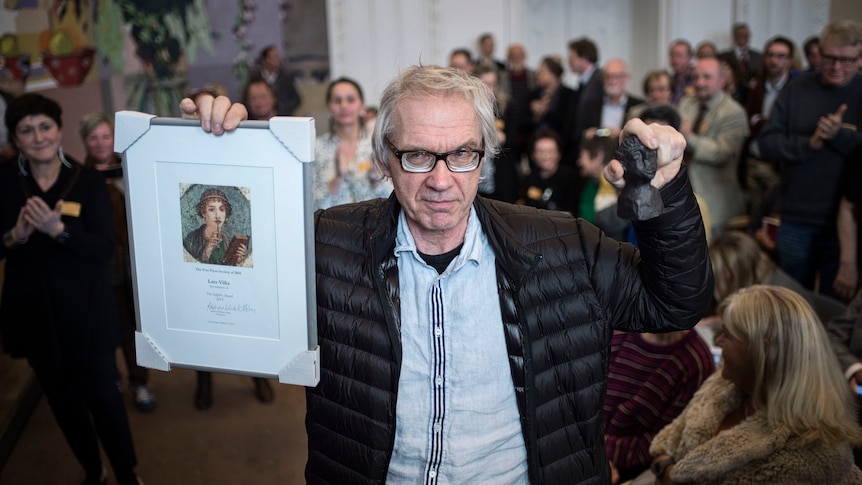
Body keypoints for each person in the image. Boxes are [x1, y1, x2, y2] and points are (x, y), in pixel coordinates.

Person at [182, 64, 712, 484]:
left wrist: (665, 195)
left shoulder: (564, 245)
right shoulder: (326, 244)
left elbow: (676, 303)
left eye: (461, 153)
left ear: (485, 158)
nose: (440, 179)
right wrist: (200, 160)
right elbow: (213, 292)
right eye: (417, 155)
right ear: (385, 159)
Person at [0, 93, 141, 484]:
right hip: (35, 316)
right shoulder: (7, 184)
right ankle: (93, 470)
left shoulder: (87, 182)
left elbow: (102, 249)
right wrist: (16, 235)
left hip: (88, 314)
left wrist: (57, 232)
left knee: (106, 400)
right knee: (64, 403)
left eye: (45, 126)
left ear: (59, 130)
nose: (38, 136)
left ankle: (127, 473)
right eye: (26, 130)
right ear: (15, 138)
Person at [649, 285, 862, 484]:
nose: (719, 341)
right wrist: (668, 470)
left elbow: (668, 456)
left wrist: (668, 471)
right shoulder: (725, 382)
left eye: (728, 335)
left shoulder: (815, 451)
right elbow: (664, 443)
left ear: (763, 351)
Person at [754, 19, 862, 300]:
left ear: (860, 58)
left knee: (835, 305)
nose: (836, 66)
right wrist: (809, 144)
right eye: (829, 58)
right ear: (819, 52)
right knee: (789, 301)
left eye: (846, 60)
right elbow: (766, 143)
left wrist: (840, 136)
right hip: (796, 215)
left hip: (847, 224)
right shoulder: (797, 89)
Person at [79, 112, 157, 413]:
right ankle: (111, 381)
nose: (100, 143)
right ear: (85, 141)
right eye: (93, 137)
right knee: (109, 327)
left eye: (105, 136)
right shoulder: (79, 177)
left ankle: (140, 382)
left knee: (137, 327)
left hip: (134, 264)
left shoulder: (129, 167)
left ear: (114, 138)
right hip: (102, 268)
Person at [604, 325, 714, 483]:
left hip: (633, 469)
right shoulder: (616, 328)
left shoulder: (696, 362)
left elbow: (667, 437)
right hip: (580, 449)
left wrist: (602, 454)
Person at [678, 57, 749, 237]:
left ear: (722, 80)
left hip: (716, 206)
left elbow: (723, 152)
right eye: (696, 77)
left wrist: (689, 138)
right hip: (684, 200)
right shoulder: (687, 103)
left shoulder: (734, 112)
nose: (700, 82)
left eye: (707, 77)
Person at [311, 77, 392, 210]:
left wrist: (377, 180)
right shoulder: (317, 148)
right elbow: (312, 208)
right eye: (337, 100)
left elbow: (394, 200)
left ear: (362, 106)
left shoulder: (378, 144)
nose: (344, 105)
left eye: (350, 99)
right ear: (329, 108)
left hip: (374, 226)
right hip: (332, 227)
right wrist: (338, 178)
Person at [518, 129, 579, 213]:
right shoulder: (529, 179)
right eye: (541, 152)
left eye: (550, 151)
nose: (546, 156)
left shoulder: (571, 178)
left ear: (559, 154)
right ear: (533, 155)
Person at [250, 45, 301, 116]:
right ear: (265, 60)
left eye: (278, 56)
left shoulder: (285, 78)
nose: (278, 59)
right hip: (259, 118)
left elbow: (296, 100)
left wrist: (283, 108)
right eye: (274, 57)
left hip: (282, 117)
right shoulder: (255, 79)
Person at [668, 39, 695, 103]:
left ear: (690, 57)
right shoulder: (669, 81)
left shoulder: (697, 80)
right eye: (672, 55)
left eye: (679, 55)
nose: (675, 60)